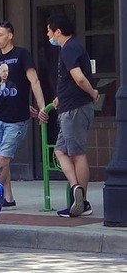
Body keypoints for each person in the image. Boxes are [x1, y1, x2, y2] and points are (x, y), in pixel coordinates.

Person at [46, 14, 99, 218]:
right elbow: (70, 79)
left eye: (49, 31)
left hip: (75, 110)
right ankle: (76, 188)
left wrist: (93, 92)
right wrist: (60, 97)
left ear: (58, 31)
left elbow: (79, 78)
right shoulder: (72, 48)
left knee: (77, 153)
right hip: (68, 106)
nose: (48, 35)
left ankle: (83, 201)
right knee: (60, 150)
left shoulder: (68, 49)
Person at [0, 21, 47, 209]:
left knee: (3, 159)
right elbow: (1, 88)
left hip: (16, 119)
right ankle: (8, 198)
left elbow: (34, 82)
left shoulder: (22, 55)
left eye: (0, 35)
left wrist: (42, 108)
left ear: (10, 35)